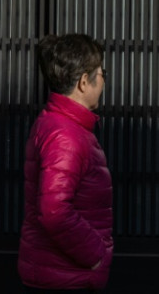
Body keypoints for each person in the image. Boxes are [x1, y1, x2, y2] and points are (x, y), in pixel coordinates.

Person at [18, 34, 113, 293]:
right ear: (84, 82)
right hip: (66, 278)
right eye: (101, 73)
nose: (104, 80)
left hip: (56, 272)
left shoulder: (57, 123)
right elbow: (54, 210)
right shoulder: (66, 135)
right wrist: (95, 255)